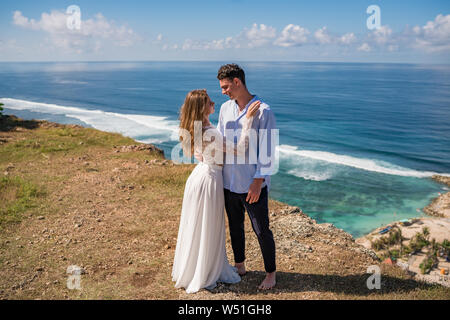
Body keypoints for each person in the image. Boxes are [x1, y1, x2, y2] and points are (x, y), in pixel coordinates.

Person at [171, 89, 261, 293]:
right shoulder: (209, 131)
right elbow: (240, 149)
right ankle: (205, 270)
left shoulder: (197, 126)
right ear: (201, 107)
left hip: (200, 176)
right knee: (208, 225)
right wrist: (247, 121)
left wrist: (208, 154)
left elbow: (197, 152)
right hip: (209, 180)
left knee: (198, 224)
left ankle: (195, 267)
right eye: (209, 101)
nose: (213, 103)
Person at [217, 64, 277, 290]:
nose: (223, 92)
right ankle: (240, 265)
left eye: (225, 87)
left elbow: (268, 150)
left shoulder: (264, 111)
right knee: (234, 226)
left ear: (237, 82)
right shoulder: (225, 109)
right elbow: (221, 142)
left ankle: (270, 273)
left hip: (252, 184)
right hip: (228, 182)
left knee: (261, 230)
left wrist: (257, 181)